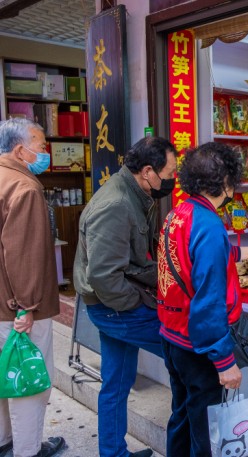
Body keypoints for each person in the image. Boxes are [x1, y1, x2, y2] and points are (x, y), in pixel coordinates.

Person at [157, 142, 248, 457]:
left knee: (183, 416)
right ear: (226, 183)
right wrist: (224, 362)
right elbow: (209, 300)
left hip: (173, 338)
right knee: (206, 434)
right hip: (198, 347)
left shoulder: (179, 213)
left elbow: (198, 260)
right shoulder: (209, 225)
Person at [73, 136, 177, 457]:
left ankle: (113, 453)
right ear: (148, 171)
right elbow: (104, 277)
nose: (173, 179)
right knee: (181, 353)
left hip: (114, 303)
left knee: (116, 383)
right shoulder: (116, 204)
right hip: (113, 306)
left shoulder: (135, 194)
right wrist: (138, 305)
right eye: (170, 172)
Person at [0, 118, 66, 457]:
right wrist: (26, 307)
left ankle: (4, 442)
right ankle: (27, 450)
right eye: (40, 146)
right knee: (28, 380)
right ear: (19, 149)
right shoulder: (23, 188)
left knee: (3, 373)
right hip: (18, 307)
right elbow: (22, 252)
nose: (45, 153)